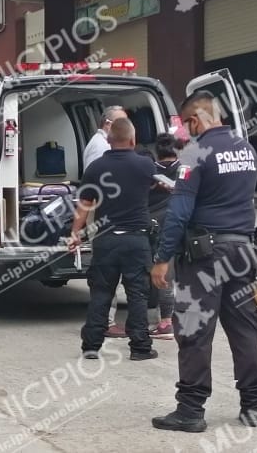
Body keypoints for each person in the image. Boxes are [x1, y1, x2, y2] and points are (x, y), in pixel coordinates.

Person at [150, 90, 257, 432]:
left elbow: (179, 211)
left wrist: (162, 258)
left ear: (195, 120)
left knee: (194, 331)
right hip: (244, 251)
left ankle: (190, 410)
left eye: (186, 126)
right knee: (244, 329)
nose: (186, 134)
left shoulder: (196, 152)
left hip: (206, 256)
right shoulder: (246, 149)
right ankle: (253, 405)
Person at [69, 117, 158, 362]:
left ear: (108, 140)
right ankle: (140, 348)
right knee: (137, 295)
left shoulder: (95, 168)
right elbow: (168, 186)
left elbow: (84, 206)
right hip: (136, 241)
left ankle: (91, 347)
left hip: (105, 240)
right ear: (133, 139)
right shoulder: (146, 166)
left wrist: (75, 234)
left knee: (101, 293)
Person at [81, 105, 131, 339]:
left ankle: (105, 320)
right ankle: (106, 322)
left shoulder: (101, 145)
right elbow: (95, 187)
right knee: (107, 273)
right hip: (103, 216)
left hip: (108, 216)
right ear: (108, 125)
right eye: (122, 122)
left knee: (111, 272)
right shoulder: (100, 147)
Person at [147, 133, 183, 339]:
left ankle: (165, 322)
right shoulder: (187, 170)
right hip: (183, 226)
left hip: (156, 227)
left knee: (162, 275)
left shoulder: (150, 172)